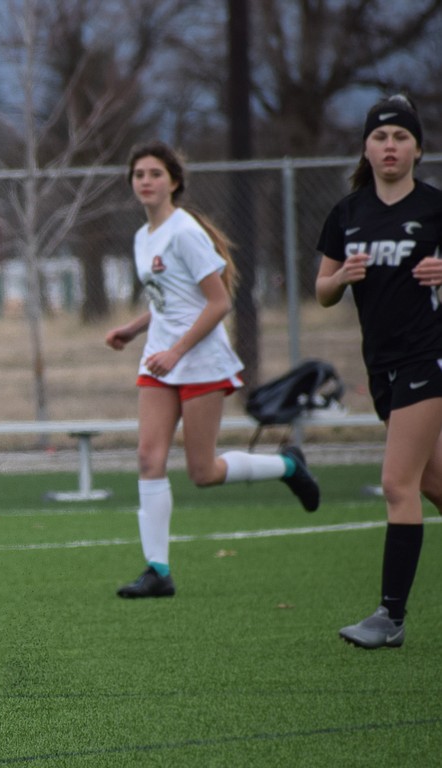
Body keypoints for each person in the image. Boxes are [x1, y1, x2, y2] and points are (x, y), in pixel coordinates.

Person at [104, 141, 321, 599]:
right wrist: (134, 327)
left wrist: (178, 350)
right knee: (148, 459)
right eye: (138, 173)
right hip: (161, 358)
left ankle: (287, 465)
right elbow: (168, 300)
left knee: (203, 471)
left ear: (174, 182)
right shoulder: (143, 237)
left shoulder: (184, 232)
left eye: (154, 173)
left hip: (198, 358)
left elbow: (219, 302)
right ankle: (157, 571)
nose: (145, 180)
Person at [315, 94, 442, 649]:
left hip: (427, 358)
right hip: (382, 368)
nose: (390, 146)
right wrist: (342, 276)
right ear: (365, 148)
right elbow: (321, 292)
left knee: (397, 483)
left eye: (400, 138)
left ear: (418, 148)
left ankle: (390, 617)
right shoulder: (348, 213)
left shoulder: (436, 209)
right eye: (380, 138)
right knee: (433, 481)